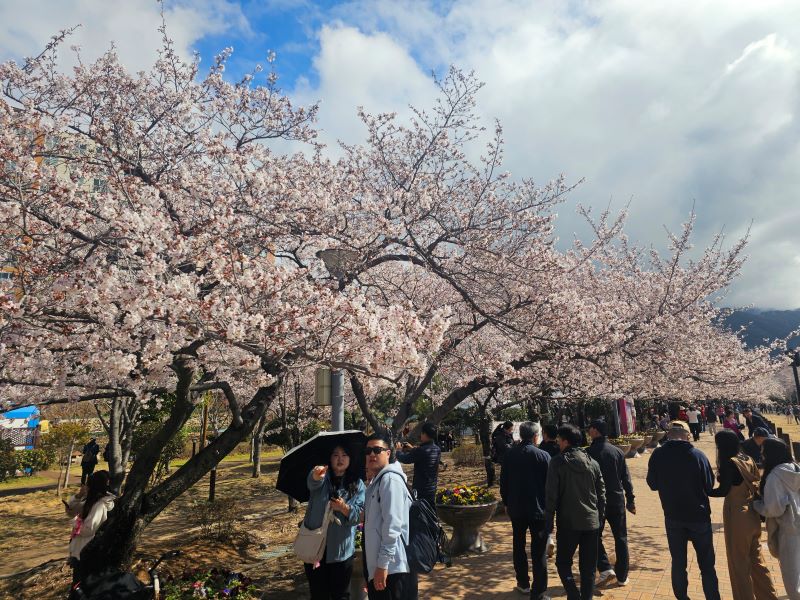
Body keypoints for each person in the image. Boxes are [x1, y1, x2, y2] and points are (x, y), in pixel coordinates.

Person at [646, 421, 721, 600]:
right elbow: (709, 485)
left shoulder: (658, 454)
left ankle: (682, 597)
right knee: (707, 565)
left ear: (668, 435)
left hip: (673, 515)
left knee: (678, 563)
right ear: (687, 435)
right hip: (698, 516)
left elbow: (652, 484)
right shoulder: (698, 455)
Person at [708, 430, 779, 600]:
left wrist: (704, 490)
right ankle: (768, 596)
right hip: (752, 513)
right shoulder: (747, 459)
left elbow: (723, 491)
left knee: (738, 564)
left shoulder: (729, 463)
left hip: (736, 515)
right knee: (757, 561)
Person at [545, 424, 605, 600]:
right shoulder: (593, 463)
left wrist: (548, 522)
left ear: (565, 441)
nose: (557, 443)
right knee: (588, 568)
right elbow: (602, 494)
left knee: (563, 563)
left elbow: (551, 496)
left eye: (559, 439)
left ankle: (573, 594)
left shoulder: (557, 462)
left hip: (568, 523)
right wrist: (599, 518)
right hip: (591, 522)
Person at [303, 444, 366, 600]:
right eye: (335, 455)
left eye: (344, 455)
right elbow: (312, 482)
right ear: (330, 459)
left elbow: (360, 515)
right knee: (318, 594)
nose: (340, 459)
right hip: (316, 549)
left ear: (350, 459)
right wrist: (316, 475)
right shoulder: (322, 477)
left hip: (341, 551)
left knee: (341, 595)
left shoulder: (357, 484)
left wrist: (344, 508)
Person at [363, 432, 417, 600]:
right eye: (368, 451)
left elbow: (392, 526)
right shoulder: (377, 481)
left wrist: (382, 565)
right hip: (385, 567)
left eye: (377, 450)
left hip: (393, 569)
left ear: (388, 453)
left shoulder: (389, 480)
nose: (372, 454)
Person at [500, 421, 551, 599]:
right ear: (536, 436)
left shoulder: (510, 454)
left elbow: (503, 481)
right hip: (539, 508)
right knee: (539, 551)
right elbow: (550, 485)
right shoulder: (543, 456)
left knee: (518, 545)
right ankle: (539, 591)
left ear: (520, 435)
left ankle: (522, 583)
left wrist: (506, 502)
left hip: (516, 507)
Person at [586, 420, 634, 587]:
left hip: (596, 502)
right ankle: (622, 576)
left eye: (590, 429)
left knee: (593, 536)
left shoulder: (588, 453)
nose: (588, 432)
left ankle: (605, 567)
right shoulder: (617, 451)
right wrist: (631, 499)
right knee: (621, 538)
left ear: (595, 431)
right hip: (616, 499)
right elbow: (626, 478)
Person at [753, 438, 800, 600]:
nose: (761, 455)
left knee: (792, 578)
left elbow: (773, 509)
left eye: (763, 452)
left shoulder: (775, 477)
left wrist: (756, 505)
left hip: (789, 529)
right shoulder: (795, 468)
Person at [64, 470, 115, 585]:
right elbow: (71, 511)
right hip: (80, 550)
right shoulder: (91, 500)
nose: (85, 487)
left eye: (88, 484)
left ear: (93, 486)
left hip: (87, 552)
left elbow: (89, 530)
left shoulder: (100, 505)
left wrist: (76, 521)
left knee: (82, 585)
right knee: (78, 583)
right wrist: (79, 495)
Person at [395, 422, 441, 508]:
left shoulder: (421, 450)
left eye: (422, 433)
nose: (420, 435)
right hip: (432, 487)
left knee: (420, 511)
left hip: (421, 487)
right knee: (430, 509)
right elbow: (424, 456)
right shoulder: (437, 449)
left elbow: (405, 459)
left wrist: (398, 451)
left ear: (424, 434)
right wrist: (412, 449)